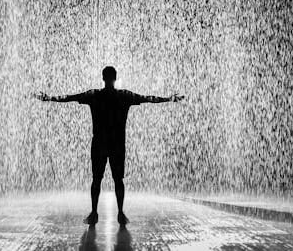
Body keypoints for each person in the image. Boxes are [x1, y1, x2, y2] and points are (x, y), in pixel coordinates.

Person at [34, 66, 184, 225]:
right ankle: (120, 213)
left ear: (103, 78)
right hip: (117, 144)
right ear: (115, 78)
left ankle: (94, 213)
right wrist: (169, 98)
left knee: (96, 180)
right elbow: (148, 98)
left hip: (99, 143)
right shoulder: (124, 96)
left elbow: (68, 97)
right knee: (118, 180)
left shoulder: (94, 95)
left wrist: (49, 98)